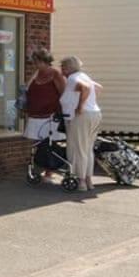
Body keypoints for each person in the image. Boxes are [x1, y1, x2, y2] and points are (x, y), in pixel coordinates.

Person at [59, 55, 102, 192]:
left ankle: (81, 181)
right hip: (95, 114)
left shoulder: (72, 78)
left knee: (78, 148)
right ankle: (88, 180)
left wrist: (80, 106)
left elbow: (85, 88)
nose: (61, 70)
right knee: (87, 148)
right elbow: (98, 87)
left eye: (62, 67)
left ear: (68, 68)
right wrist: (91, 103)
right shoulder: (84, 75)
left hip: (81, 116)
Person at [23, 49, 66, 140]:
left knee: (48, 144)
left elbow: (63, 93)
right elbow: (27, 89)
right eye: (34, 62)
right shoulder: (36, 74)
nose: (35, 65)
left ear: (45, 61)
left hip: (50, 117)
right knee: (36, 144)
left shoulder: (55, 74)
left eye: (37, 62)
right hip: (34, 116)